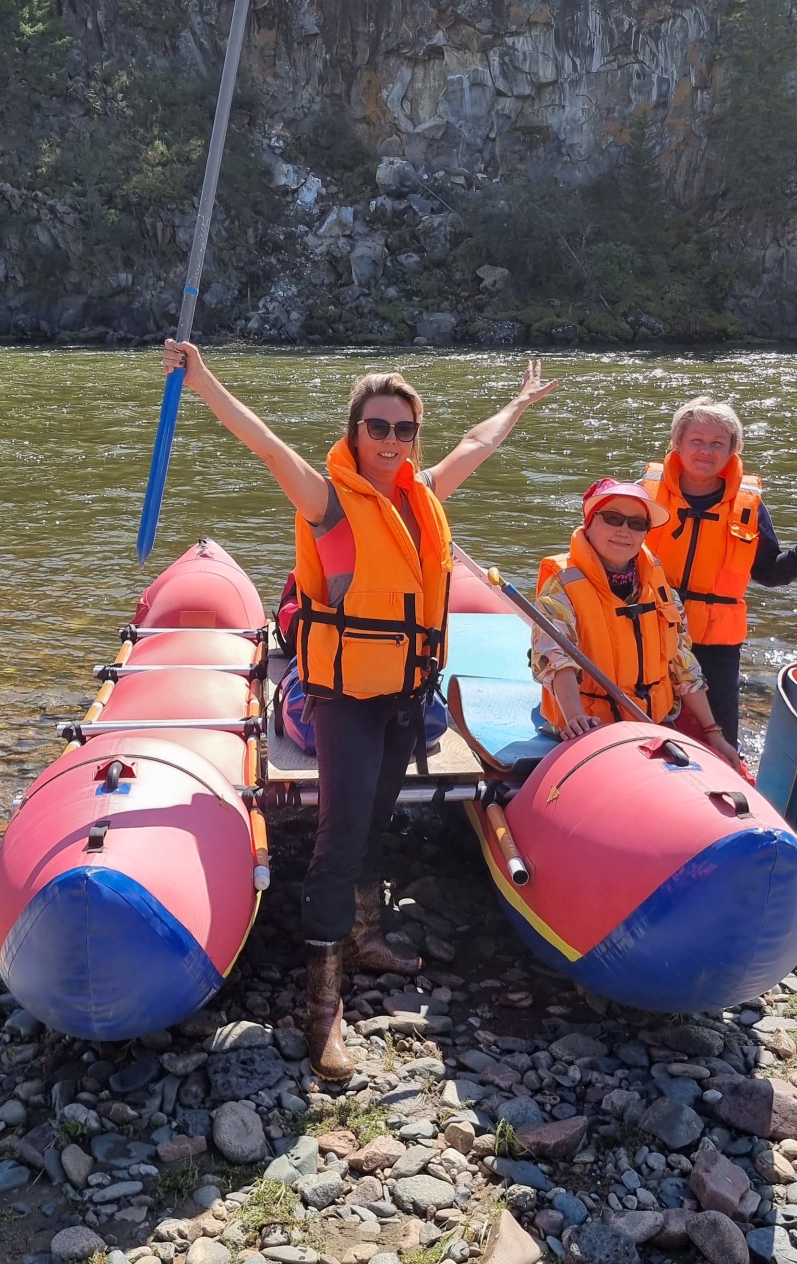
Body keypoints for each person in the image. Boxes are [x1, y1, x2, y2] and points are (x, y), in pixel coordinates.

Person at [161, 340, 555, 1080]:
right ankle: (323, 1013)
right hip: (343, 700)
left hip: (406, 694)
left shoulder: (423, 496)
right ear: (354, 432)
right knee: (338, 842)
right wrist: (201, 375)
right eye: (378, 427)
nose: (392, 442)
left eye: (405, 429)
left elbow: (476, 442)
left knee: (378, 821)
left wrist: (519, 405)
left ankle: (364, 935)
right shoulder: (327, 501)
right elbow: (264, 443)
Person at [640, 396, 797, 749]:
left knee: (717, 737)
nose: (706, 450)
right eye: (696, 441)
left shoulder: (748, 507)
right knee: (642, 724)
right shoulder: (644, 495)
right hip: (647, 630)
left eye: (718, 443)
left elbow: (770, 573)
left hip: (716, 643)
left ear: (733, 450)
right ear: (677, 443)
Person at [531, 477, 742, 771]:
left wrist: (713, 733)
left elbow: (681, 661)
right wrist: (575, 719)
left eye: (636, 524)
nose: (624, 531)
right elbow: (555, 659)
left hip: (651, 725)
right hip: (585, 729)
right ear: (590, 522)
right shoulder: (561, 587)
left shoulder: (658, 587)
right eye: (613, 518)